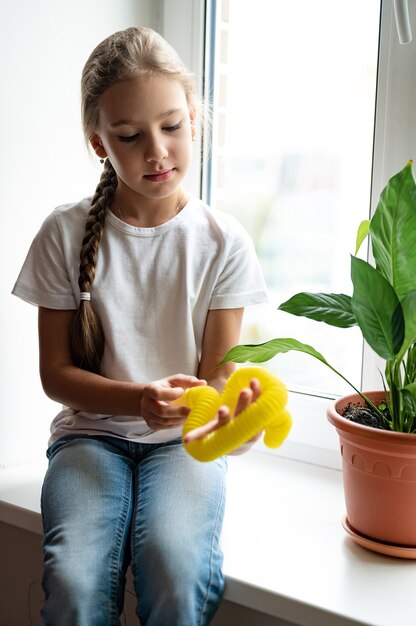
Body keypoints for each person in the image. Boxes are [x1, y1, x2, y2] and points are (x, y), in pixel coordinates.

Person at [12, 26, 268, 626]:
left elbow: (218, 378)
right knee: (74, 583)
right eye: (130, 136)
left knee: (177, 571)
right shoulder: (63, 233)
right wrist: (137, 400)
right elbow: (57, 375)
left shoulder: (223, 242)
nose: (157, 151)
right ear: (99, 143)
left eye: (171, 126)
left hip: (182, 448)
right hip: (87, 438)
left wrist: (234, 412)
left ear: (195, 121)